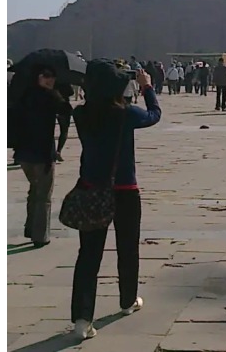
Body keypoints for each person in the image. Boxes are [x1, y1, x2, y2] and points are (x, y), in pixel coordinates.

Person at [69, 61, 161, 340]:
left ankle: (82, 319)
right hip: (124, 189)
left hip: (91, 189)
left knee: (88, 256)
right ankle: (127, 300)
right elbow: (154, 115)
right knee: (127, 248)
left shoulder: (81, 113)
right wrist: (147, 87)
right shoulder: (125, 114)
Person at [12, 65, 72, 248]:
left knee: (35, 189)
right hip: (42, 152)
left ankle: (31, 228)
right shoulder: (50, 96)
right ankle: (40, 235)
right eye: (46, 76)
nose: (50, 79)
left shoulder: (23, 94)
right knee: (44, 195)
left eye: (52, 76)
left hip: (23, 151)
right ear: (38, 77)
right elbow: (67, 111)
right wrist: (59, 91)